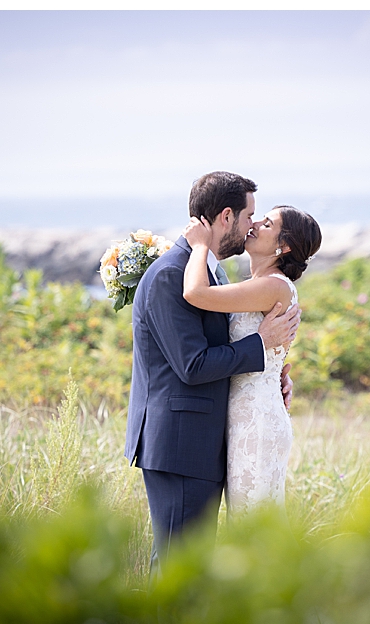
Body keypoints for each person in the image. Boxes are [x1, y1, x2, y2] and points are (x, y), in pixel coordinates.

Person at [124, 171, 300, 575]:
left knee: (192, 566)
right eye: (249, 215)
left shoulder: (208, 270)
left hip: (205, 444)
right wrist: (259, 347)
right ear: (225, 217)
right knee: (177, 566)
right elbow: (193, 365)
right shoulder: (173, 274)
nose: (252, 224)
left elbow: (219, 348)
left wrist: (271, 378)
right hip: (180, 445)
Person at [182, 205, 322, 515]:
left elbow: (195, 293)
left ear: (282, 246)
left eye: (268, 223)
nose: (255, 223)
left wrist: (199, 245)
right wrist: (280, 375)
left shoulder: (273, 286)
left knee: (251, 525)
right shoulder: (263, 284)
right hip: (248, 414)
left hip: (256, 422)